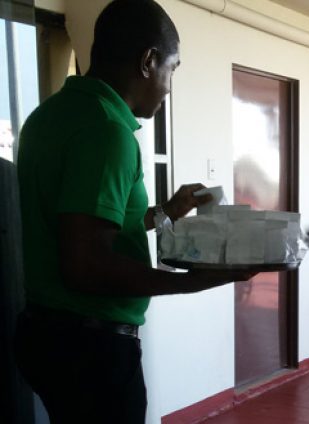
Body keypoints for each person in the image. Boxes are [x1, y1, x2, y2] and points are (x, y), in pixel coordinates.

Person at [13, 1, 252, 422]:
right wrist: (193, 283)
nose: (169, 86)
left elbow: (86, 222)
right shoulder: (109, 131)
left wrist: (164, 212)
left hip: (46, 334)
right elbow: (84, 264)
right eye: (172, 69)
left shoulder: (48, 116)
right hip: (91, 351)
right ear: (148, 61)